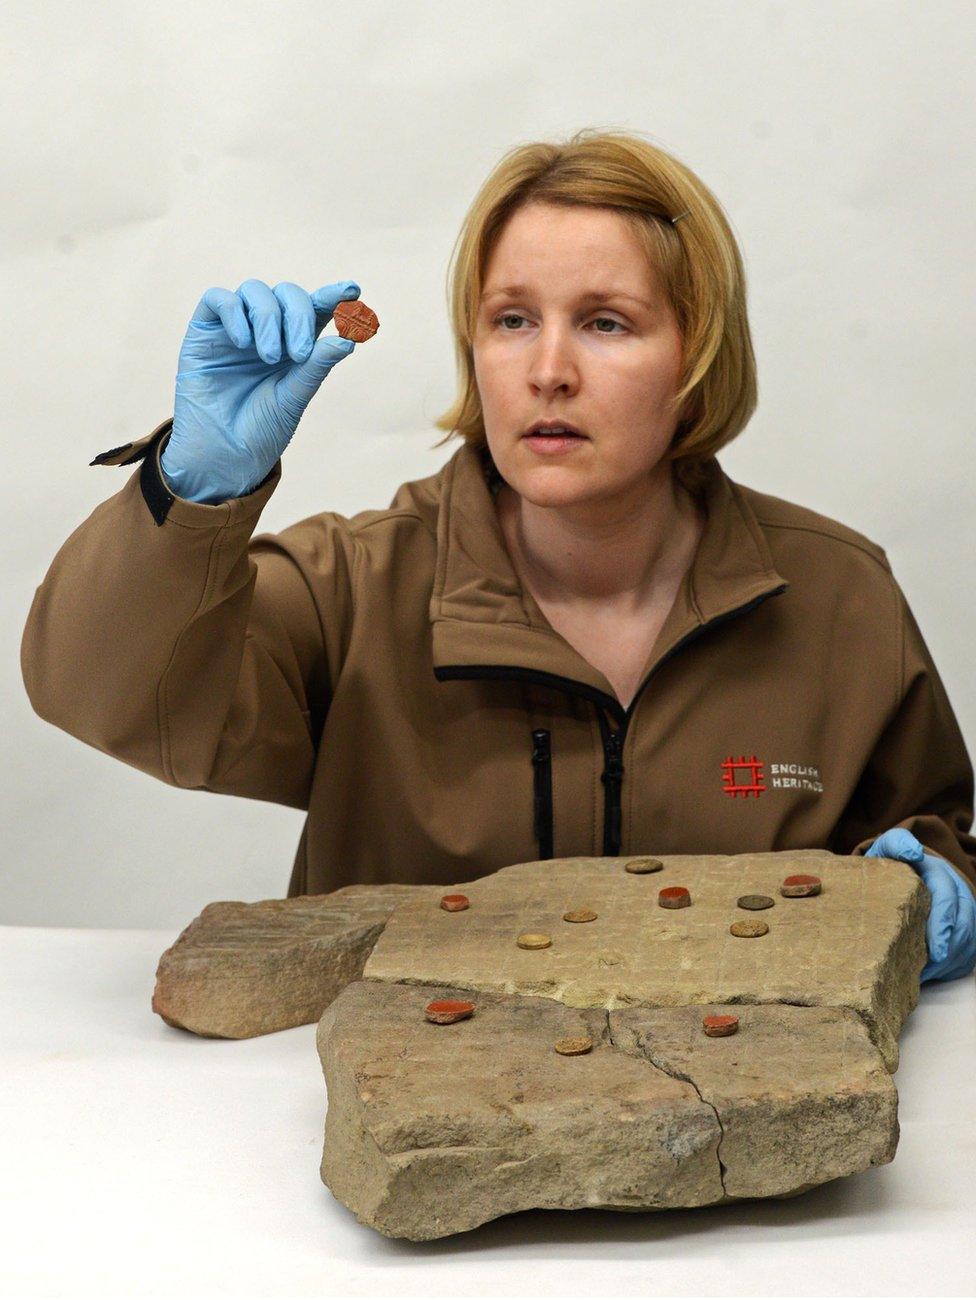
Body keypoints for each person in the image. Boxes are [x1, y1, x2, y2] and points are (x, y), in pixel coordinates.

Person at [21, 129, 975, 983]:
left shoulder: (835, 594)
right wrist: (192, 489)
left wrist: (936, 879)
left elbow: (932, 835)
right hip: (412, 1143)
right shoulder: (355, 590)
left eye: (606, 322)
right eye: (512, 319)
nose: (547, 369)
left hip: (749, 1136)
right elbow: (100, 692)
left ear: (698, 358)